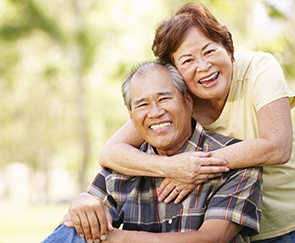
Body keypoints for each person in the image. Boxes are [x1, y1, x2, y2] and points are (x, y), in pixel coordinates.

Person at [98, 3, 295, 243]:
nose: (203, 66)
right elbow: (111, 152)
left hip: (285, 223)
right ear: (176, 72)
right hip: (225, 220)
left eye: (210, 51)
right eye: (187, 60)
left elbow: (278, 146)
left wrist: (193, 169)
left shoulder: (259, 69)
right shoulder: (180, 101)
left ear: (227, 46)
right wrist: (170, 167)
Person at [43, 62, 262, 243]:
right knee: (78, 227)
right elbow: (88, 222)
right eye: (142, 105)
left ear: (188, 102)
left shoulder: (234, 160)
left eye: (164, 99)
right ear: (131, 116)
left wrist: (119, 238)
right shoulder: (125, 164)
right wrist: (83, 203)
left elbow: (212, 239)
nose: (155, 112)